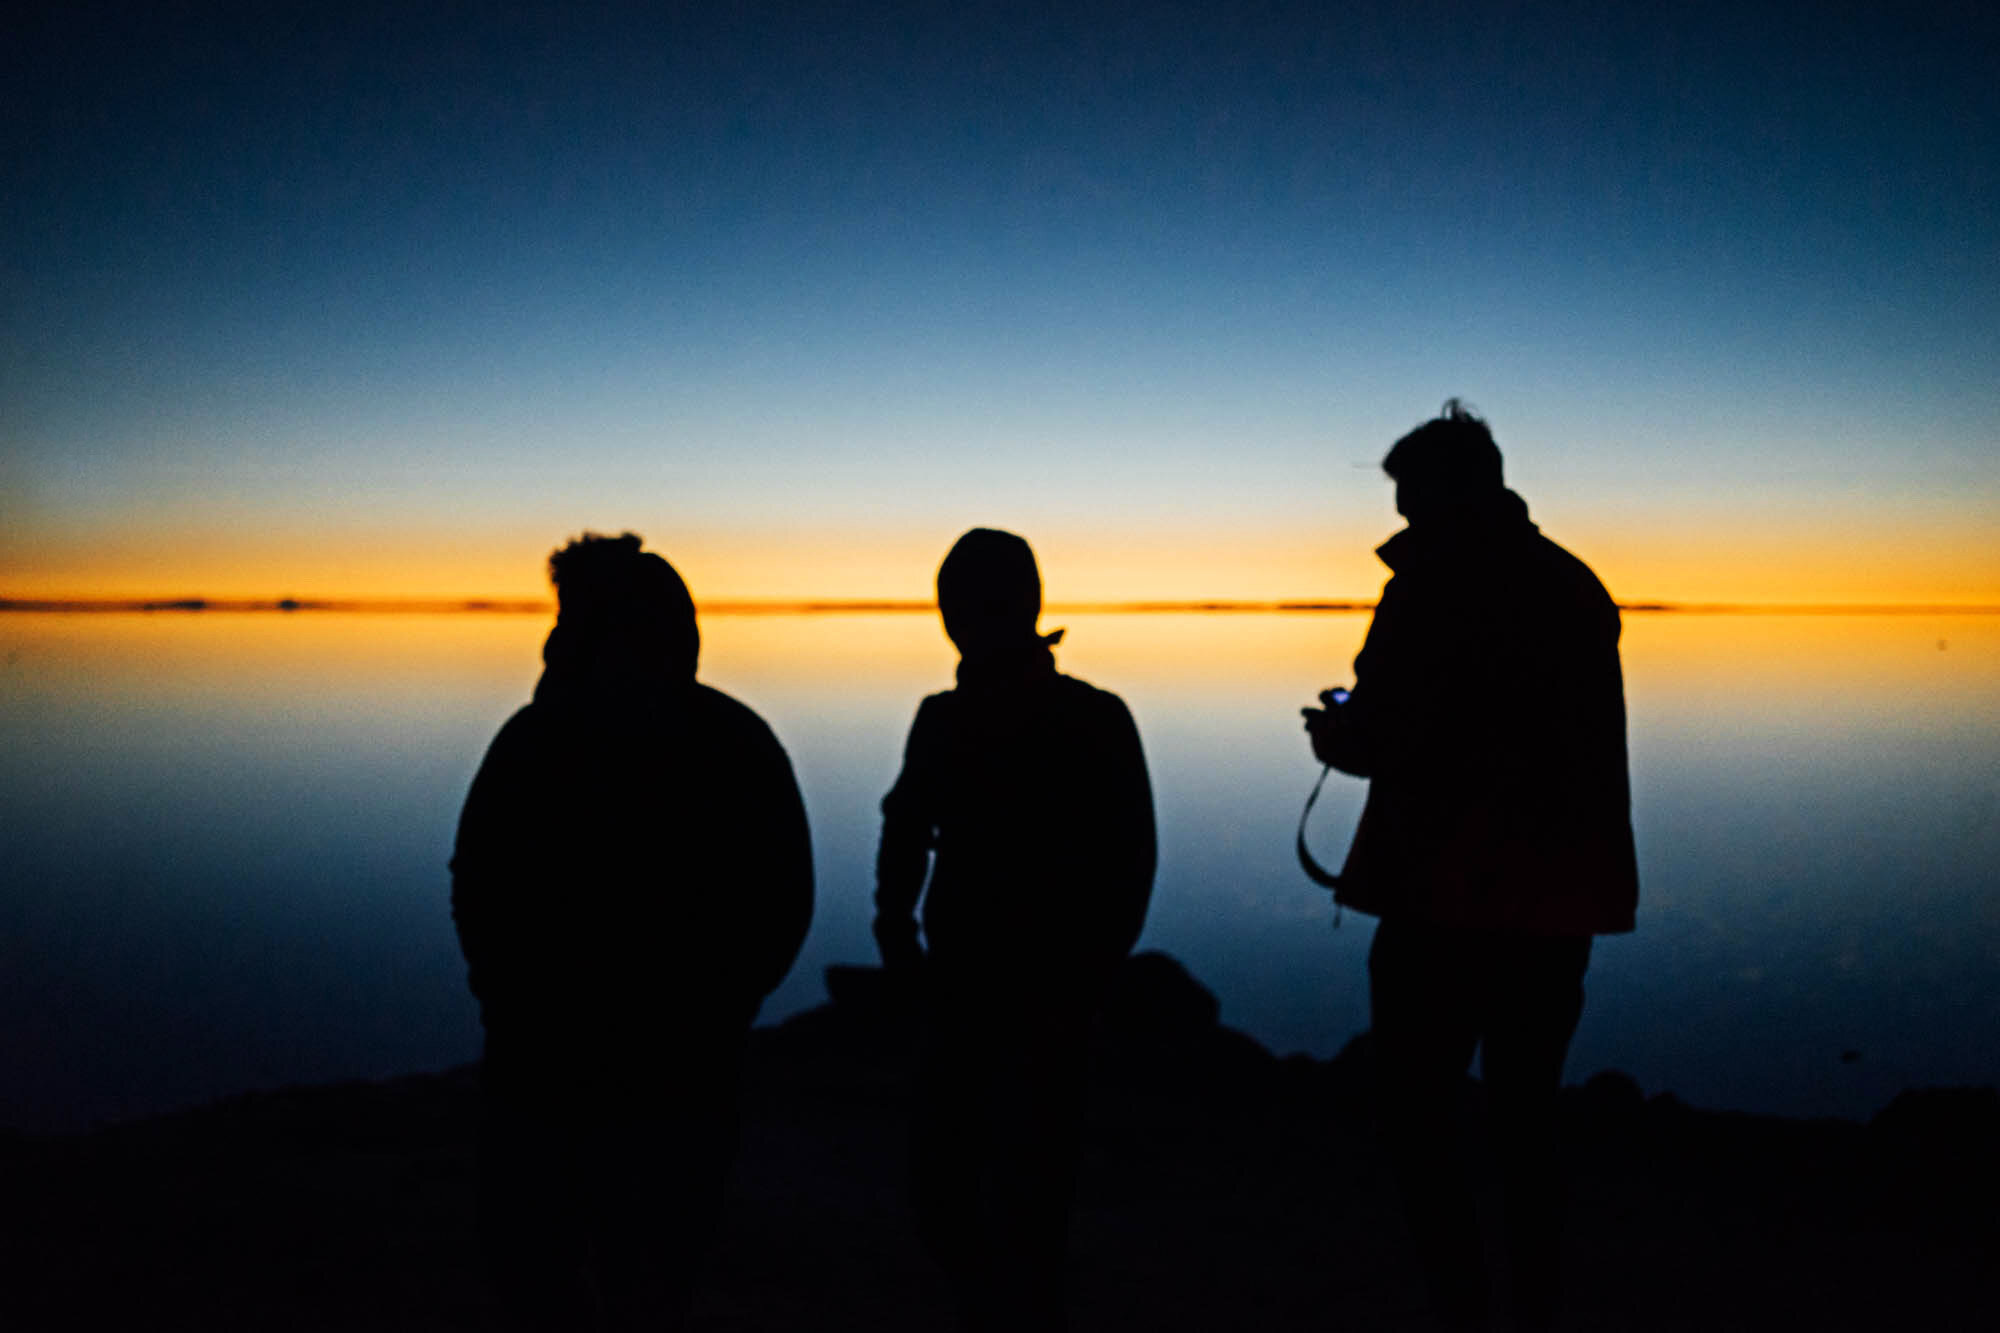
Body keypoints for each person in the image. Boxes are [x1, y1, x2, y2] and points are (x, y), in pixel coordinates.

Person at [1302, 402, 1638, 1330]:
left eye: (1410, 505)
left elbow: (1385, 733)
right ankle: (1534, 1306)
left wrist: (1335, 735)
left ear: (1449, 492)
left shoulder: (1433, 585)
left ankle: (1460, 1306)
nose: (1403, 524)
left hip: (1439, 905)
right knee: (1526, 1125)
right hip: (1559, 906)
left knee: (1419, 1123)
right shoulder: (1575, 586)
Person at [450, 532, 813, 1332]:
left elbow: (780, 899)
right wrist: (506, 997)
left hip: (669, 1076)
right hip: (547, 1070)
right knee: (541, 1272)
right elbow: (478, 881)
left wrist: (719, 1010)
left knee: (644, 1281)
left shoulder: (729, 744)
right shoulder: (536, 742)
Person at [875, 528, 1155, 1332]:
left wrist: (1098, 964)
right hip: (969, 975)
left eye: (969, 602)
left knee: (1022, 1175)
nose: (961, 617)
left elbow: (1129, 853)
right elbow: (906, 826)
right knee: (958, 1174)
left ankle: (1014, 1301)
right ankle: (995, 1295)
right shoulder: (949, 717)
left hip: (1048, 980)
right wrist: (896, 932)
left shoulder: (1090, 718)